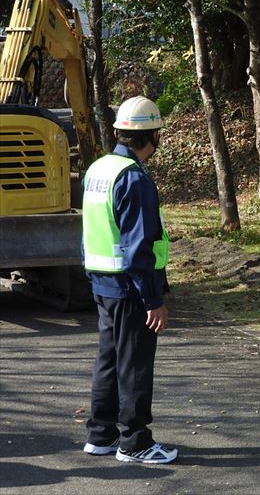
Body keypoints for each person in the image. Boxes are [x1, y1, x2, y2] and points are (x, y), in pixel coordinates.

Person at [81, 96, 178, 463]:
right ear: (149, 136)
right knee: (134, 364)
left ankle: (100, 435)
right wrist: (153, 299)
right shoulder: (134, 178)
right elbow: (139, 247)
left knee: (108, 360)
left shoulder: (98, 169)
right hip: (129, 287)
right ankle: (136, 443)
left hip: (103, 282)